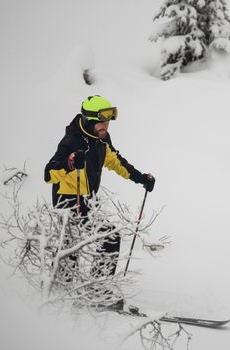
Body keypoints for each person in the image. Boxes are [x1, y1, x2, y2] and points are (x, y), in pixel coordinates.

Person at [44, 95, 155, 281]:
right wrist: (70, 163)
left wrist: (140, 178)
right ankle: (61, 290)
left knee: (109, 237)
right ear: (89, 121)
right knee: (70, 246)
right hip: (68, 202)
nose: (106, 126)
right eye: (101, 122)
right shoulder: (71, 141)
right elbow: (48, 174)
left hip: (88, 201)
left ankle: (97, 289)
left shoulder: (101, 138)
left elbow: (115, 161)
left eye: (108, 122)